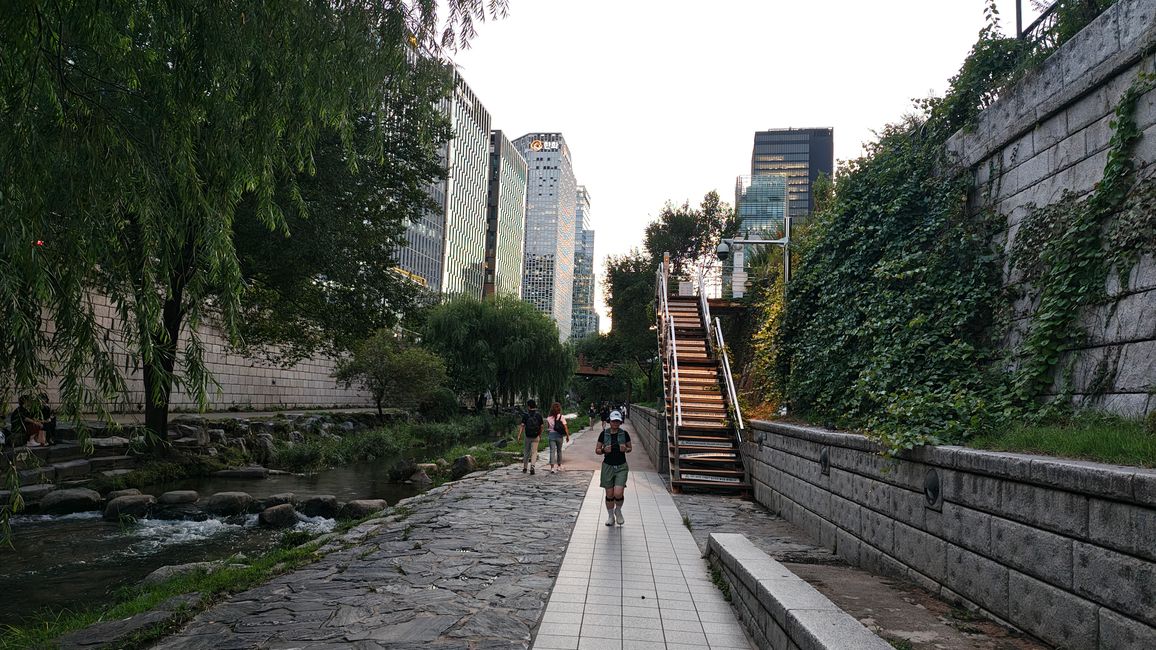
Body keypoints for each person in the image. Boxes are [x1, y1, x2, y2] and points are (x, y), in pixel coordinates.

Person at [595, 410, 632, 526]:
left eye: (617, 421)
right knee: (609, 494)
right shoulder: (604, 434)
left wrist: (625, 449)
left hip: (621, 466)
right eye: (613, 421)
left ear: (620, 422)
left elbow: (630, 448)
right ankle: (611, 516)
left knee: (618, 492)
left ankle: (618, 510)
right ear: (609, 421)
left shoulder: (624, 434)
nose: (615, 423)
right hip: (608, 466)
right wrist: (603, 450)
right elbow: (597, 450)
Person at [517, 399, 544, 475]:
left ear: (528, 406)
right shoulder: (538, 415)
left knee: (526, 451)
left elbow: (522, 426)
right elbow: (542, 426)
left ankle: (525, 468)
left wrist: (519, 435)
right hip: (536, 436)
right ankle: (532, 466)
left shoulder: (525, 415)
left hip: (527, 436)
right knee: (534, 452)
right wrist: (540, 434)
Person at [545, 402, 570, 473]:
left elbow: (548, 428)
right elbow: (565, 427)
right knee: (559, 450)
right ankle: (559, 466)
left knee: (552, 451)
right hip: (559, 435)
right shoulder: (561, 417)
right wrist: (567, 436)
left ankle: (552, 468)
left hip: (551, 435)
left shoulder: (549, 418)